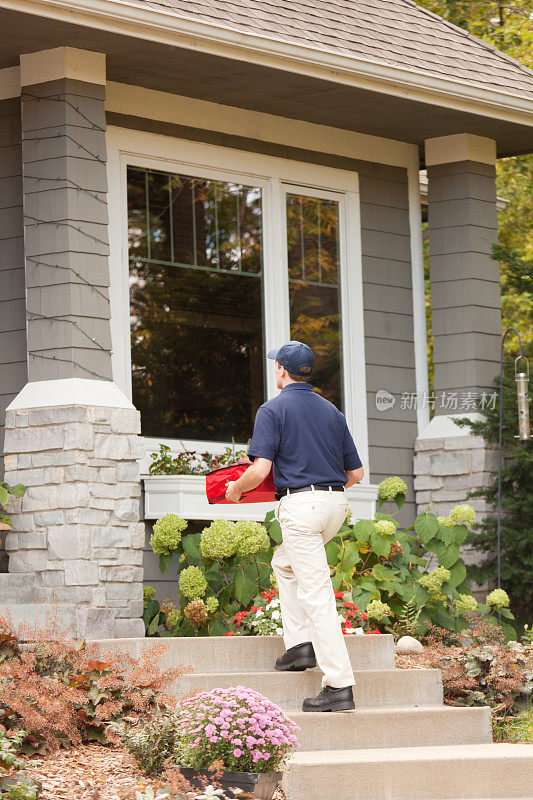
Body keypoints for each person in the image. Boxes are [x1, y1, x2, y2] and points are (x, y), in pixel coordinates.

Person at [225, 340, 364, 712]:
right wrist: (325, 491)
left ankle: (339, 684)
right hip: (335, 504)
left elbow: (260, 471)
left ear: (282, 371)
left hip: (302, 507)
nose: (275, 370)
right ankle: (299, 646)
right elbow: (356, 473)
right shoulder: (332, 411)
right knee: (284, 564)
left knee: (316, 595)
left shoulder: (272, 409)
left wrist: (235, 489)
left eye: (276, 366)